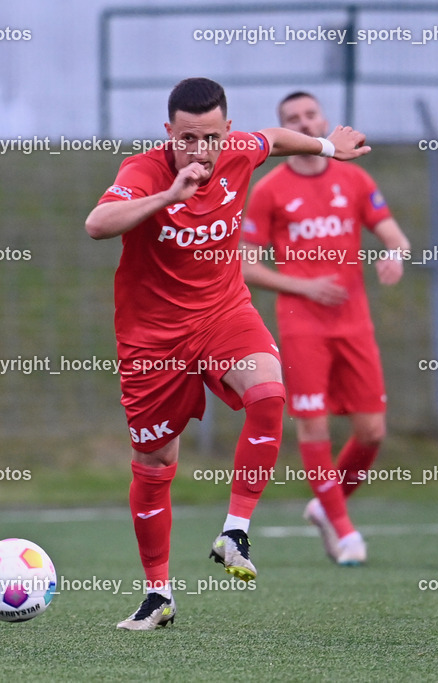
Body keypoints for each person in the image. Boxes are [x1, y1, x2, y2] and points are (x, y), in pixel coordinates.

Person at [84, 78, 370, 630]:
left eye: (210, 137)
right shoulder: (143, 171)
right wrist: (170, 196)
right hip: (153, 339)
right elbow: (97, 225)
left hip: (223, 313)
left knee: (269, 392)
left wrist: (329, 147)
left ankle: (234, 529)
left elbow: (276, 139)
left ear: (226, 132)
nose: (200, 150)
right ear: (168, 133)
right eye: (187, 138)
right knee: (155, 462)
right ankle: (158, 595)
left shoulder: (238, 150)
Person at [241, 91, 410, 566]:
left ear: (324, 119)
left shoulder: (354, 178)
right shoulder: (271, 188)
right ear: (286, 132)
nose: (305, 122)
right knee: (313, 425)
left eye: (310, 114)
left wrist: (395, 253)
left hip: (354, 324)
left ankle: (323, 504)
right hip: (302, 327)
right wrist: (305, 285)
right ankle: (344, 531)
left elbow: (393, 233)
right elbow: (247, 266)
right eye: (292, 119)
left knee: (372, 431)